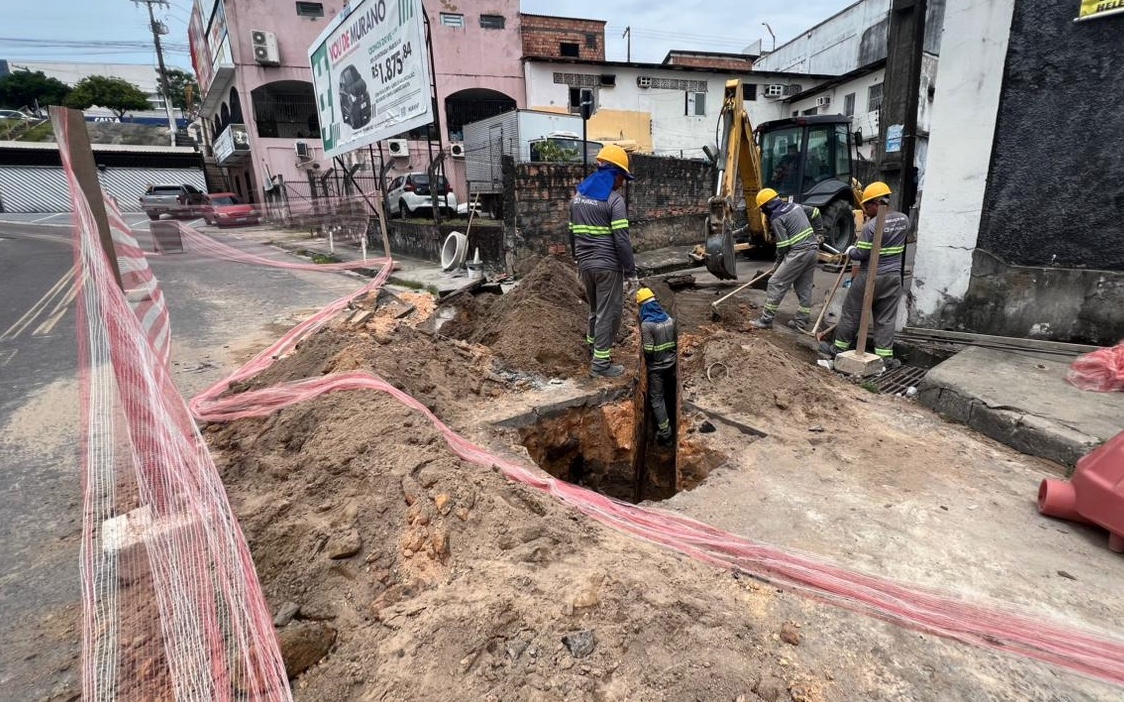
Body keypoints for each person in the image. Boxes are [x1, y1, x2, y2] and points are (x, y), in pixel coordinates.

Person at [820, 181, 910, 369]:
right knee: (885, 318)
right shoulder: (904, 220)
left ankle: (839, 349)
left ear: (877, 203)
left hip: (870, 276)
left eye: (867, 205)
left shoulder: (871, 227)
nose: (865, 210)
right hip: (893, 278)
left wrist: (851, 250)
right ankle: (885, 357)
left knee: (851, 312)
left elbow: (861, 255)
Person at [569, 144, 638, 378]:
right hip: (608, 266)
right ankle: (600, 364)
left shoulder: (577, 199)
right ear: (613, 173)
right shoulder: (613, 201)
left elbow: (572, 234)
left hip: (585, 265)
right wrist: (630, 272)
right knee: (609, 313)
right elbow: (621, 240)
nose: (622, 182)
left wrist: (578, 258)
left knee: (595, 309)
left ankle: (592, 347)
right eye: (621, 177)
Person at [750, 188, 824, 331]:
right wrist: (819, 232)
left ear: (766, 206)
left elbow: (783, 246)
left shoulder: (777, 217)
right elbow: (815, 212)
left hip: (799, 253)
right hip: (813, 251)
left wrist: (777, 264)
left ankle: (766, 320)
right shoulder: (796, 206)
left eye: (762, 208)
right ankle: (801, 321)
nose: (763, 211)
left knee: (775, 282)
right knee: (804, 286)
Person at [636, 287, 678, 445]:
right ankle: (672, 416)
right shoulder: (668, 318)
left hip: (657, 369)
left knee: (657, 400)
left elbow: (648, 349)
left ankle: (665, 433)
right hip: (672, 363)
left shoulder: (647, 325)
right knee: (668, 393)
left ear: (642, 306)